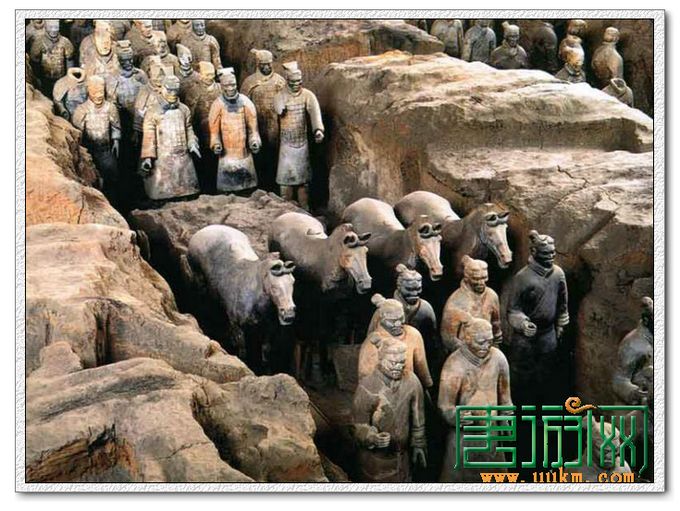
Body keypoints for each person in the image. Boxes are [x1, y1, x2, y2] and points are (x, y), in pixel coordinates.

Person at [438, 316, 512, 482]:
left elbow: (505, 397)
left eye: (489, 341)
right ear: (467, 339)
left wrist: (505, 418)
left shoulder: (498, 358)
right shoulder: (454, 364)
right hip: (464, 435)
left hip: (491, 433)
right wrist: (456, 416)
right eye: (480, 342)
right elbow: (444, 405)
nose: (486, 346)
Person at [504, 230, 569, 406]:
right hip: (525, 339)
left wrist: (561, 324)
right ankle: (521, 413)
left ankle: (543, 413)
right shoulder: (522, 277)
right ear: (534, 252)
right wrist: (523, 324)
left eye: (553, 252)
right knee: (522, 378)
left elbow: (563, 304)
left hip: (548, 335)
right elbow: (513, 310)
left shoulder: (558, 274)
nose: (551, 256)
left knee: (546, 375)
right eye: (546, 253)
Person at [352, 337, 427, 482]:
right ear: (381, 359)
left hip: (403, 458)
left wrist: (419, 443)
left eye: (402, 362)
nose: (398, 367)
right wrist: (372, 438)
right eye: (393, 362)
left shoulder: (412, 381)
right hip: (376, 463)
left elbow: (418, 415)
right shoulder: (367, 387)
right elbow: (357, 425)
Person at [139, 75, 201, 201]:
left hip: (183, 155)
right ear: (162, 88)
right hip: (163, 156)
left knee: (186, 188)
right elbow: (149, 136)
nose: (173, 93)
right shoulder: (153, 111)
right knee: (164, 190)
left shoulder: (184, 109)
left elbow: (188, 128)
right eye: (170, 90)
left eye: (175, 90)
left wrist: (192, 143)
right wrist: (148, 157)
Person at [274, 61, 324, 210]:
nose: (296, 84)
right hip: (286, 144)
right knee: (285, 180)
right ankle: (285, 208)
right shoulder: (280, 96)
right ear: (287, 80)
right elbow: (278, 109)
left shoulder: (308, 95)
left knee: (303, 181)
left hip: (302, 142)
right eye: (293, 82)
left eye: (299, 81)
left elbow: (315, 113)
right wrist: (281, 105)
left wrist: (318, 130)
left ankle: (304, 208)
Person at [208, 69, 261, 193]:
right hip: (227, 156)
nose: (231, 88)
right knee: (227, 190)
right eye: (227, 86)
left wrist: (254, 141)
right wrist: (216, 144)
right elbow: (214, 131)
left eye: (233, 85)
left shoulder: (245, 102)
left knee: (248, 189)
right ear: (222, 86)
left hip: (244, 154)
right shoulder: (217, 105)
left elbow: (253, 128)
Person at [72, 75, 121, 205]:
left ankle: (112, 202)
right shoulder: (81, 110)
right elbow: (77, 133)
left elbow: (115, 126)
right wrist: (80, 151)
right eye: (95, 93)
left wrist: (116, 140)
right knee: (91, 179)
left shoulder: (110, 108)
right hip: (89, 151)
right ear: (89, 92)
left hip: (106, 150)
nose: (99, 96)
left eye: (101, 92)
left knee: (112, 176)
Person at [441, 255, 501, 353]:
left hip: (488, 349)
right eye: (476, 279)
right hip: (464, 353)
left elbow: (496, 323)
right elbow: (448, 337)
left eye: (484, 278)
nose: (481, 282)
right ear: (466, 278)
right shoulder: (456, 302)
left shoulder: (492, 295)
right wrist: (469, 354)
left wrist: (495, 348)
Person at [29, 20, 75, 95]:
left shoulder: (65, 42)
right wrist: (37, 78)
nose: (53, 30)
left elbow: (69, 60)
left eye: (56, 27)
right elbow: (35, 62)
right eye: (50, 27)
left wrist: (69, 77)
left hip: (61, 78)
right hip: (45, 80)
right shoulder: (39, 42)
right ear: (46, 27)